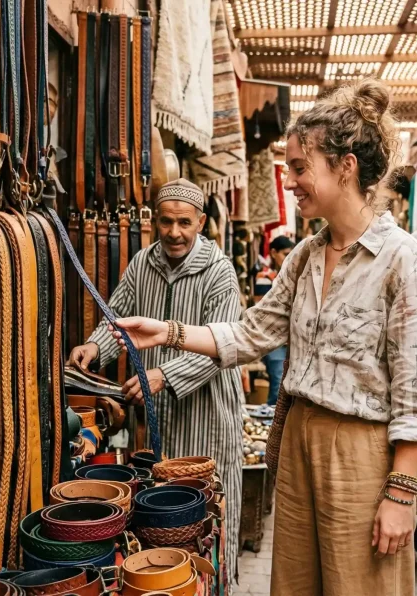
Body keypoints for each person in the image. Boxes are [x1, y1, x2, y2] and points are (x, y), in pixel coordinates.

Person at [110, 80, 417, 595]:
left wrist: (402, 493)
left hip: (361, 453)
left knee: (363, 586)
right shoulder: (304, 256)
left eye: (300, 167)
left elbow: (413, 384)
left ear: (345, 166)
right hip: (297, 443)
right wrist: (167, 331)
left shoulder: (400, 259)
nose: (291, 181)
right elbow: (252, 333)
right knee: (295, 585)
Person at [69, 178, 243, 583]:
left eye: (184, 223)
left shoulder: (220, 273)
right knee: (164, 512)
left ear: (200, 222)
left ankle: (213, 585)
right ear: (154, 223)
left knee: (206, 512)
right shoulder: (142, 263)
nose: (175, 232)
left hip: (207, 412)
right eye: (166, 222)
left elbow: (224, 345)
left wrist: (164, 374)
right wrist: (94, 349)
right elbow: (118, 317)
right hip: (159, 412)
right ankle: (167, 582)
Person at [255, 236, 295, 406]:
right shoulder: (265, 276)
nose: (289, 258)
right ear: (273, 252)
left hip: (288, 340)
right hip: (274, 341)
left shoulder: (290, 275)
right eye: (285, 254)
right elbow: (262, 309)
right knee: (278, 386)